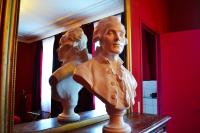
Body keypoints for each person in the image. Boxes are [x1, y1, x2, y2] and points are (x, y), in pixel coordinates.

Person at [73, 16, 137, 111]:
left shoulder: (130, 77)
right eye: (110, 33)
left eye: (121, 34)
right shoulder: (84, 70)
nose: (117, 38)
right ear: (100, 38)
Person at [49, 27, 91, 122]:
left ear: (75, 48)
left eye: (64, 46)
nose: (58, 50)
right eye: (60, 45)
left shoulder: (85, 65)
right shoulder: (59, 74)